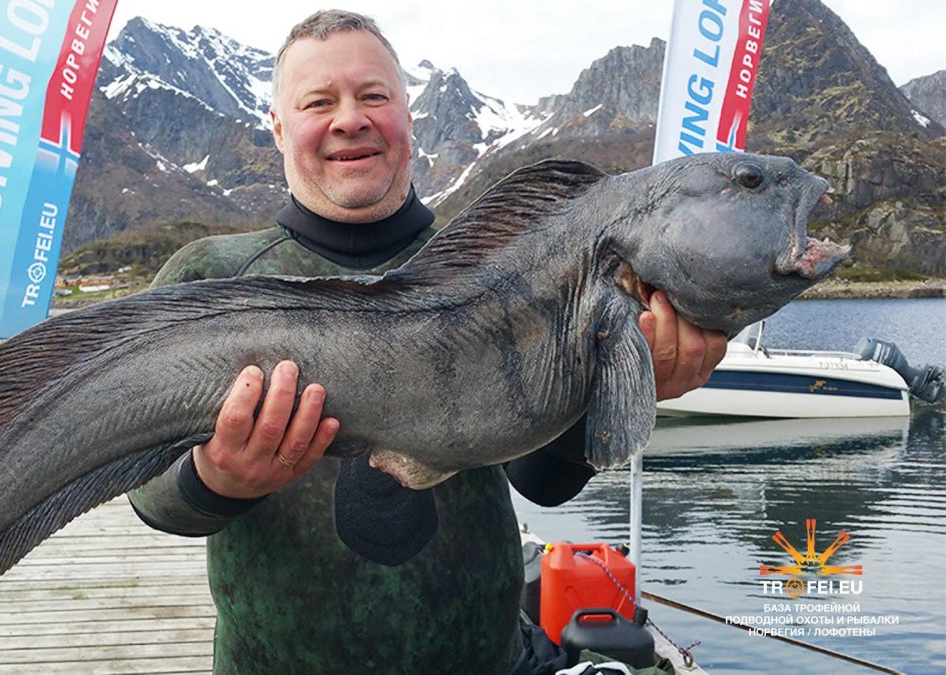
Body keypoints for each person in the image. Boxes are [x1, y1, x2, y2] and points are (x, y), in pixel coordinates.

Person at [128, 10, 726, 674]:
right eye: (318, 101)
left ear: (409, 116)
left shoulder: (506, 264)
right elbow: (151, 496)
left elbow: (539, 481)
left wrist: (622, 383)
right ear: (277, 126)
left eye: (374, 96)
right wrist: (215, 479)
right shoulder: (209, 277)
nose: (349, 118)